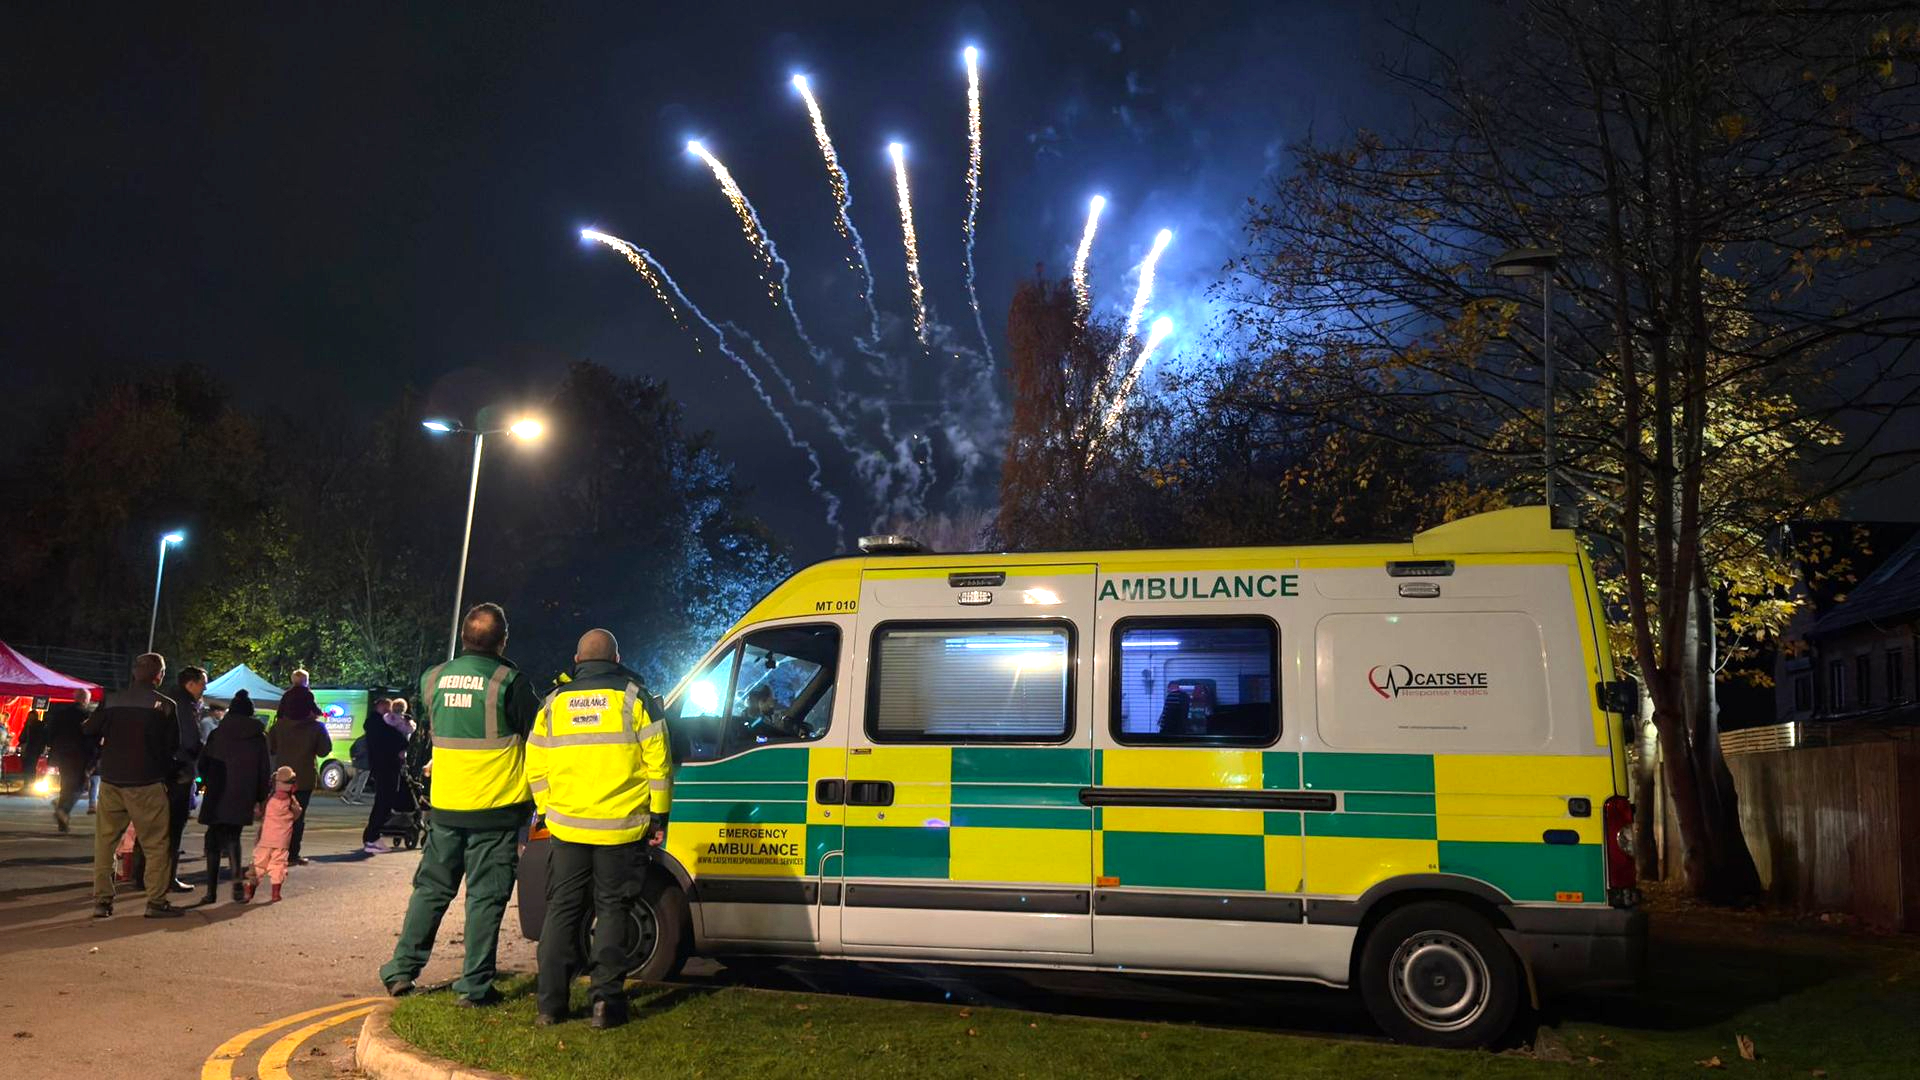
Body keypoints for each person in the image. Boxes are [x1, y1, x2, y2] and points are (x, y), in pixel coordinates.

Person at [379, 603, 539, 1005]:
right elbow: (536, 733)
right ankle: (474, 985)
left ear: (464, 639)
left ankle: (401, 969)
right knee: (486, 897)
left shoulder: (432, 679)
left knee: (430, 890)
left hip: (447, 806)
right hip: (495, 808)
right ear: (502, 641)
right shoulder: (510, 682)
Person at [528, 628, 671, 1029]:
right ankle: (605, 1005)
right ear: (617, 657)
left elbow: (534, 766)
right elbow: (659, 763)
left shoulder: (553, 703)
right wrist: (658, 815)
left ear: (578, 660)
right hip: (621, 829)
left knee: (561, 912)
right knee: (612, 911)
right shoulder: (634, 698)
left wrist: (548, 808)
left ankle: (550, 1006)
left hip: (568, 828)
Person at [87, 653, 183, 919]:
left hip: (111, 780)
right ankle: (155, 902)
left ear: (133, 673)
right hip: (147, 783)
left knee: (105, 843)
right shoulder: (165, 705)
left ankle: (102, 901)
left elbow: (89, 729)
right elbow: (172, 747)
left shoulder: (111, 700)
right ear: (159, 675)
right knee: (155, 845)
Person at [197, 690, 271, 903]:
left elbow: (203, 764)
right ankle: (237, 882)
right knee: (233, 837)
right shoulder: (258, 737)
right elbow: (264, 769)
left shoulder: (218, 734)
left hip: (218, 792)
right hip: (243, 793)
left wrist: (208, 781)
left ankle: (211, 892)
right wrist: (259, 797)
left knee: (213, 840)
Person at [154, 665, 208, 894]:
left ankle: (144, 874)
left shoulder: (164, 699)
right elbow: (189, 740)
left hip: (159, 770)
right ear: (191, 684)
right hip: (179, 771)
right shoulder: (184, 706)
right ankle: (167, 877)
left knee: (154, 826)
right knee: (174, 826)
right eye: (203, 684)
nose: (204, 688)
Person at [266, 685, 332, 866]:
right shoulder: (316, 728)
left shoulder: (279, 726)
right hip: (303, 778)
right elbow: (324, 751)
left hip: (280, 778)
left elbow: (270, 748)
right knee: (297, 817)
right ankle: (292, 854)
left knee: (279, 816)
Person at [361, 696, 413, 853]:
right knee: (384, 801)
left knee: (383, 800)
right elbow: (399, 741)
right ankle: (372, 838)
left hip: (380, 766)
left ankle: (372, 836)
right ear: (383, 707)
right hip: (388, 766)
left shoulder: (373, 724)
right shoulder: (381, 725)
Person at [247, 766, 304, 903]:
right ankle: (275, 893)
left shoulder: (269, 799)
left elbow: (260, 815)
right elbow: (298, 813)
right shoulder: (291, 802)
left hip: (265, 839)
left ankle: (250, 889)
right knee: (278, 865)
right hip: (281, 841)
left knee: (258, 864)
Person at [46, 690, 98, 832]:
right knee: (79, 785)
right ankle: (63, 809)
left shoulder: (61, 714)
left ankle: (63, 817)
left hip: (62, 753)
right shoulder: (86, 715)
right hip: (79, 754)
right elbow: (92, 736)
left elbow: (51, 733)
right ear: (86, 700)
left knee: (66, 783)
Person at [18, 706, 49, 794]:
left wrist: (41, 748)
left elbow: (42, 739)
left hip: (33, 749)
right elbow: (22, 737)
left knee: (30, 767)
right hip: (27, 749)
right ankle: (27, 784)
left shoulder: (38, 725)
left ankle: (29, 785)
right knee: (27, 767)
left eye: (31, 717)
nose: (30, 718)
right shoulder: (27, 725)